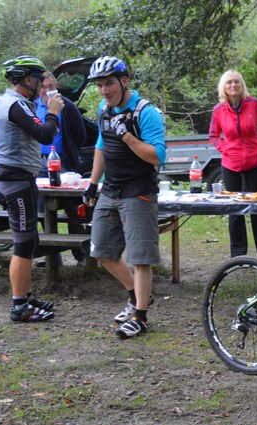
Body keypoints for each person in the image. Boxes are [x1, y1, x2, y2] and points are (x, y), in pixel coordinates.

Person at [81, 56, 167, 339]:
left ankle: (140, 316)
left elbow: (157, 157)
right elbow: (101, 145)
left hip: (139, 192)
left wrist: (128, 137)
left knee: (141, 258)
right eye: (99, 86)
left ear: (124, 81)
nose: (104, 91)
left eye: (109, 84)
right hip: (111, 189)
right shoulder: (103, 109)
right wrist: (93, 184)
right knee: (102, 251)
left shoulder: (146, 112)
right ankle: (136, 295)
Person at [0, 55, 63, 322]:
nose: (42, 85)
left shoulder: (19, 103)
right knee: (23, 244)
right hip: (14, 182)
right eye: (39, 79)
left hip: (20, 180)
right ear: (28, 79)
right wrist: (53, 111)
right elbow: (45, 134)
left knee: (31, 241)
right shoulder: (15, 105)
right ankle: (19, 305)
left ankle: (25, 295)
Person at [208, 70, 257, 259]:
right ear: (224, 87)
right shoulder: (218, 110)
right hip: (230, 165)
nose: (233, 85)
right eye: (229, 82)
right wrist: (225, 149)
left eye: (236, 82)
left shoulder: (253, 104)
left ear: (241, 84)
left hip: (254, 163)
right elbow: (213, 135)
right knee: (234, 209)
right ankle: (238, 255)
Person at [36, 71, 87, 263]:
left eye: (51, 87)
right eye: (44, 87)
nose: (48, 91)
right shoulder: (33, 106)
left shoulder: (67, 106)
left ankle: (81, 254)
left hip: (63, 162)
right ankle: (52, 255)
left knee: (72, 207)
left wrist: (70, 154)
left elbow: (80, 134)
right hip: (39, 162)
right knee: (42, 209)